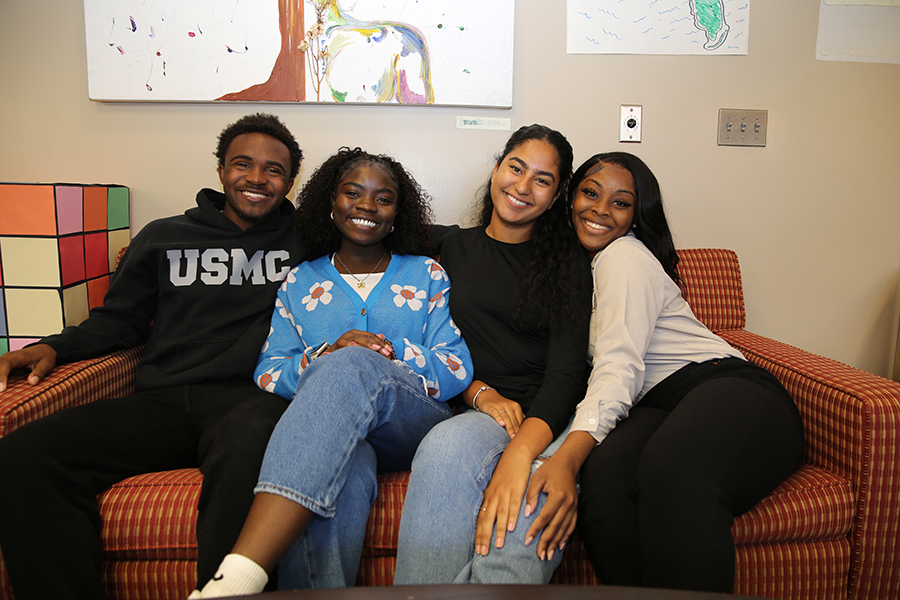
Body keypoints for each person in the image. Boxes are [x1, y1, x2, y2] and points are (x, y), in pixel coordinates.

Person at [0, 113, 306, 599]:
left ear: (290, 181)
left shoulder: (308, 242)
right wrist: (52, 347)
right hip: (164, 400)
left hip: (251, 400)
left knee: (254, 441)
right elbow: (118, 321)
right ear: (221, 170)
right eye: (242, 164)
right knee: (23, 454)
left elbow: (383, 232)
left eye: (273, 170)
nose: (255, 178)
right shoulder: (163, 236)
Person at [192, 147, 473, 597]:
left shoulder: (426, 274)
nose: (366, 206)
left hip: (414, 424)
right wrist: (327, 352)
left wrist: (386, 352)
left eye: (383, 199)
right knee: (343, 470)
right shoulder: (300, 282)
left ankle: (239, 574)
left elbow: (456, 368)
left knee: (352, 363)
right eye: (352, 193)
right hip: (339, 438)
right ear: (331, 202)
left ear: (398, 214)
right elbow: (269, 371)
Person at [522, 151, 806, 592]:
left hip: (726, 386)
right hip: (657, 404)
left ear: (637, 217)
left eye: (620, 202)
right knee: (603, 488)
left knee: (670, 469)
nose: (599, 210)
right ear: (570, 198)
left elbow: (619, 365)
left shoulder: (624, 256)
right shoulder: (574, 267)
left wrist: (564, 457)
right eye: (590, 193)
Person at [393, 124, 593, 585]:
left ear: (556, 194)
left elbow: (566, 375)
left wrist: (522, 453)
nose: (522, 187)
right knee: (442, 448)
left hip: (549, 418)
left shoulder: (568, 264)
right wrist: (478, 392)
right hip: (476, 411)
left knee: (521, 530)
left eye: (542, 180)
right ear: (497, 169)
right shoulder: (446, 249)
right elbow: (367, 218)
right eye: (515, 168)